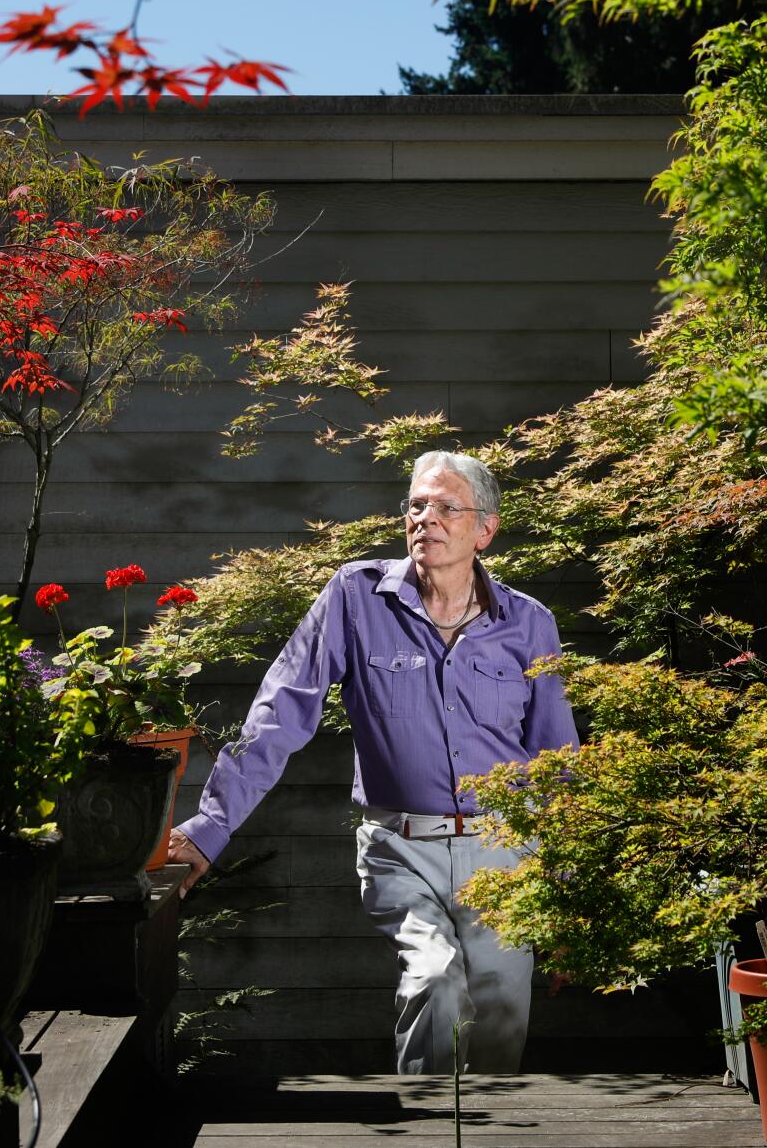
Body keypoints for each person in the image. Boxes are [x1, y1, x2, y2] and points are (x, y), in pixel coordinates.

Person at [164, 450, 579, 1074]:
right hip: (400, 844)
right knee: (435, 981)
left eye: (446, 507)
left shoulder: (529, 623)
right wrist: (209, 829)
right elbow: (279, 716)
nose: (426, 519)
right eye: (416, 504)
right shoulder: (356, 598)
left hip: (506, 848)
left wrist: (571, 889)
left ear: (484, 530)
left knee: (500, 1013)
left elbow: (557, 760)